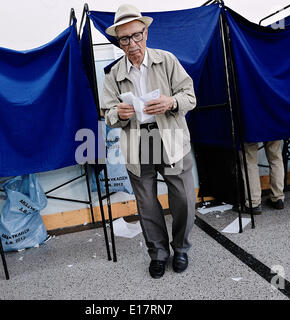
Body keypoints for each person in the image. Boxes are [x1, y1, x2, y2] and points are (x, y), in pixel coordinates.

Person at [101, 4, 197, 279]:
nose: (132, 44)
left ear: (146, 33)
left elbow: (190, 97)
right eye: (125, 39)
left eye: (136, 35)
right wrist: (117, 114)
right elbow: (107, 114)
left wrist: (171, 101)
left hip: (170, 136)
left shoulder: (166, 60)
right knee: (147, 203)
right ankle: (158, 253)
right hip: (138, 140)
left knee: (183, 198)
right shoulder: (113, 74)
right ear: (118, 42)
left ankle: (180, 248)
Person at [241, 140, 285, 215]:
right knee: (275, 157)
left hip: (251, 128)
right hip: (272, 128)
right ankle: (278, 198)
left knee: (249, 159)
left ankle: (254, 203)